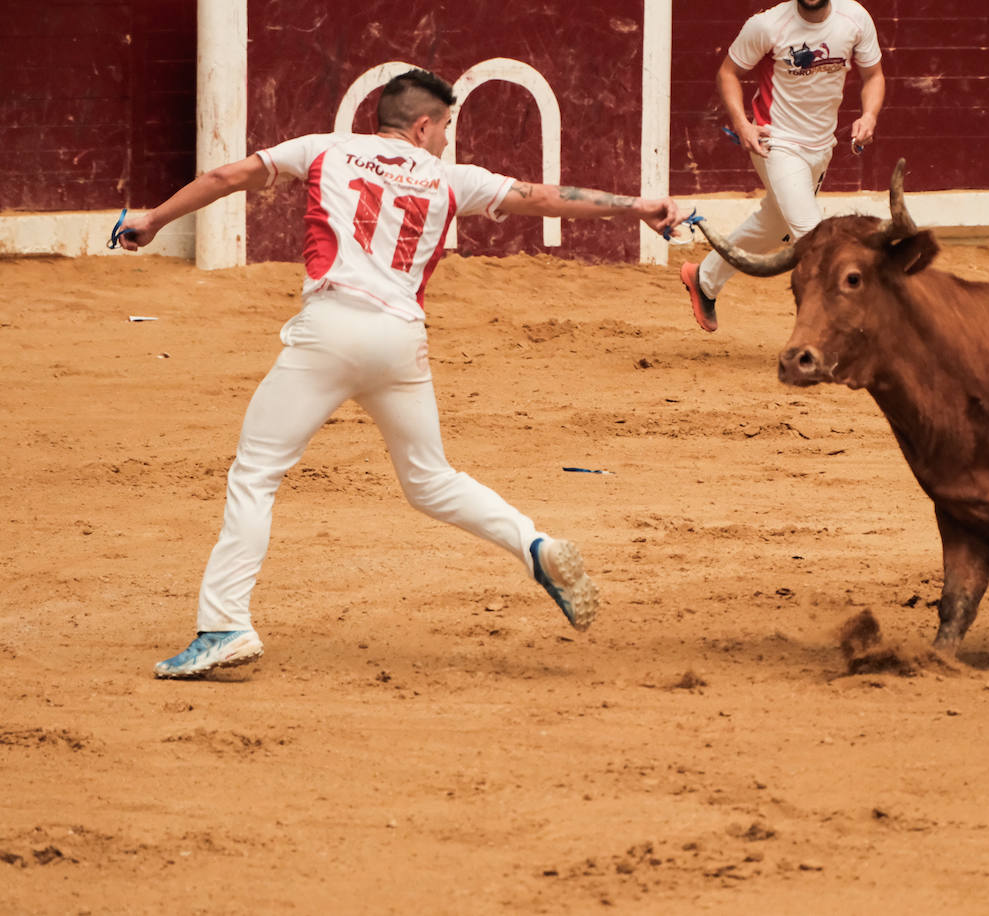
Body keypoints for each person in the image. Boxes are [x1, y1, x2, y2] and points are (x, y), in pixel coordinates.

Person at [117, 68, 683, 679]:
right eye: (446, 128)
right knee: (431, 480)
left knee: (255, 474)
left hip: (329, 329)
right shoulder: (451, 177)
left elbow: (226, 178)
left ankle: (225, 623)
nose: (446, 139)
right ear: (422, 126)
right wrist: (638, 207)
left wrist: (155, 219)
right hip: (400, 340)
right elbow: (544, 197)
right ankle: (533, 545)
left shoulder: (324, 149)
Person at [680, 0, 884, 332]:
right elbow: (728, 73)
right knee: (816, 239)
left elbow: (873, 76)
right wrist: (742, 124)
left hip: (821, 147)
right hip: (776, 142)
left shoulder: (855, 18)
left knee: (774, 224)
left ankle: (703, 279)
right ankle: (846, 331)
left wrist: (870, 115)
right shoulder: (768, 25)